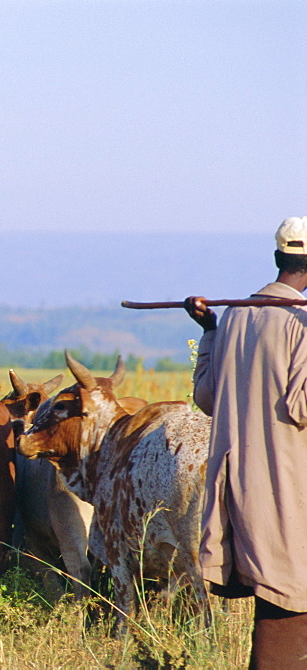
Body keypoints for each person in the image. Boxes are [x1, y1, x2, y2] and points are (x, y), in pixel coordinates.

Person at [185, 216, 307, 669]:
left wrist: (209, 330)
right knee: (290, 601)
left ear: (279, 259)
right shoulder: (300, 324)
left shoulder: (235, 316)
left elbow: (207, 397)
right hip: (288, 485)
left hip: (240, 485)